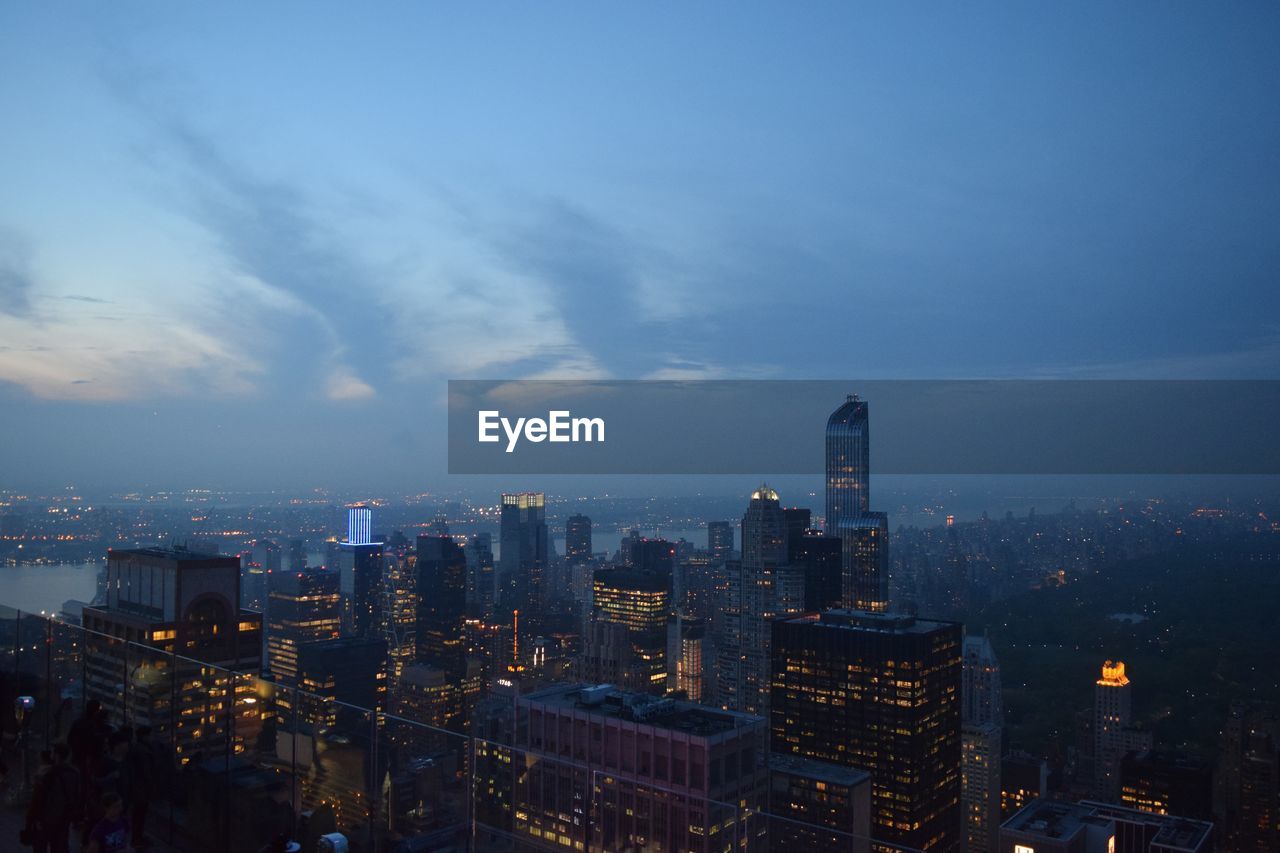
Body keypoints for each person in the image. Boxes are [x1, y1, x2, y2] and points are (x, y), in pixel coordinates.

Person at [24, 743, 81, 853]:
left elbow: (40, 800)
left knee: (40, 846)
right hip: (64, 817)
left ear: (57, 755)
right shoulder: (75, 772)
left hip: (46, 819)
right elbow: (77, 795)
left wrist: (34, 819)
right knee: (60, 846)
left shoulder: (48, 774)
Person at [124, 726, 159, 849]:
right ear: (145, 736)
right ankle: (137, 838)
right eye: (150, 735)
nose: (152, 737)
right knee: (140, 814)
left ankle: (137, 837)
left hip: (137, 788)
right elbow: (147, 772)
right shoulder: (143, 751)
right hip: (141, 789)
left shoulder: (136, 748)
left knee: (138, 814)